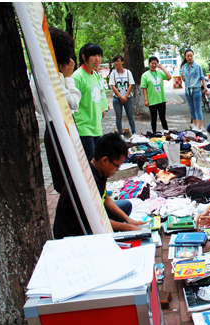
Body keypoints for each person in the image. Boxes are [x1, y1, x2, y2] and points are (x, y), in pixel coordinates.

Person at [53, 133, 145, 239]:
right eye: (117, 166)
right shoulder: (89, 179)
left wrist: (128, 220)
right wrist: (128, 228)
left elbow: (104, 197)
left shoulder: (98, 169)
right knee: (108, 233)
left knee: (127, 205)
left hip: (92, 216)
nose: (117, 170)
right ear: (104, 160)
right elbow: (97, 220)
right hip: (75, 231)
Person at [36, 27, 81, 193]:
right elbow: (73, 103)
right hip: (61, 128)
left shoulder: (38, 74)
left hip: (53, 128)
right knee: (71, 181)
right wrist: (68, 77)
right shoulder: (53, 76)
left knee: (65, 180)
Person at [73, 43, 105, 160]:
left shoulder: (95, 75)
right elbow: (71, 103)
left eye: (99, 55)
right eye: (93, 55)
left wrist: (101, 108)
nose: (97, 59)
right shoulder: (78, 77)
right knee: (90, 162)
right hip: (83, 128)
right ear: (83, 57)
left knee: (97, 160)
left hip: (96, 126)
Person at [141, 56, 172, 134]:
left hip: (161, 99)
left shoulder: (160, 73)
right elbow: (144, 88)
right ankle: (154, 133)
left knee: (163, 118)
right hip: (152, 100)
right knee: (153, 118)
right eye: (152, 63)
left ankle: (167, 133)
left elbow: (169, 77)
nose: (154, 65)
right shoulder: (145, 75)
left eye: (156, 63)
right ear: (149, 64)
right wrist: (146, 100)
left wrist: (163, 68)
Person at [181, 49, 209, 130]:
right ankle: (195, 124)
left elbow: (202, 78)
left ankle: (200, 127)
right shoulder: (184, 67)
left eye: (191, 55)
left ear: (193, 56)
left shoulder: (197, 66)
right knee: (191, 108)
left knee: (198, 108)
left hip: (196, 90)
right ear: (185, 57)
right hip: (187, 91)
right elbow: (184, 80)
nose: (190, 57)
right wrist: (182, 76)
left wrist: (206, 89)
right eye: (188, 56)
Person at [109, 55, 136, 136]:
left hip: (128, 97)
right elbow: (113, 86)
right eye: (115, 61)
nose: (117, 63)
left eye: (118, 61)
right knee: (118, 116)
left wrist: (126, 96)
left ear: (122, 62)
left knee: (130, 115)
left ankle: (134, 132)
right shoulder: (113, 73)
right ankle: (120, 134)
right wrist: (120, 97)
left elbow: (131, 84)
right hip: (117, 98)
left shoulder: (128, 72)